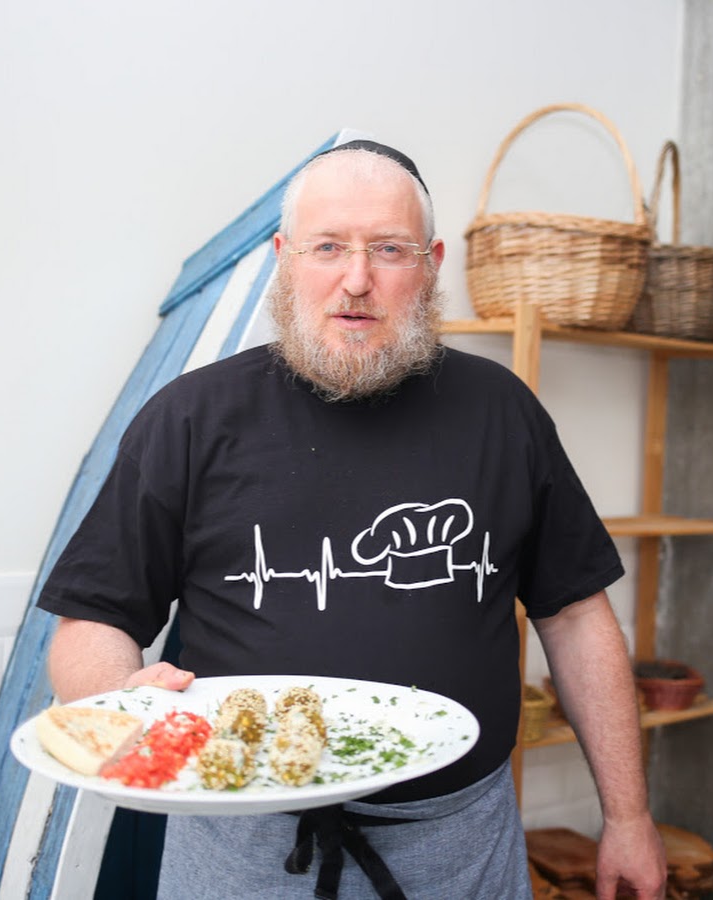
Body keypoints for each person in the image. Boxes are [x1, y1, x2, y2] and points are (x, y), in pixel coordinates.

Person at [38, 140, 666, 900]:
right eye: (328, 246)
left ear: (431, 265)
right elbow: (92, 620)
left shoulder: (503, 413)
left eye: (390, 249)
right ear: (285, 259)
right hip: (245, 852)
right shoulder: (189, 418)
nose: (357, 279)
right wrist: (125, 698)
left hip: (460, 848)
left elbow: (576, 617)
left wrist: (628, 816)